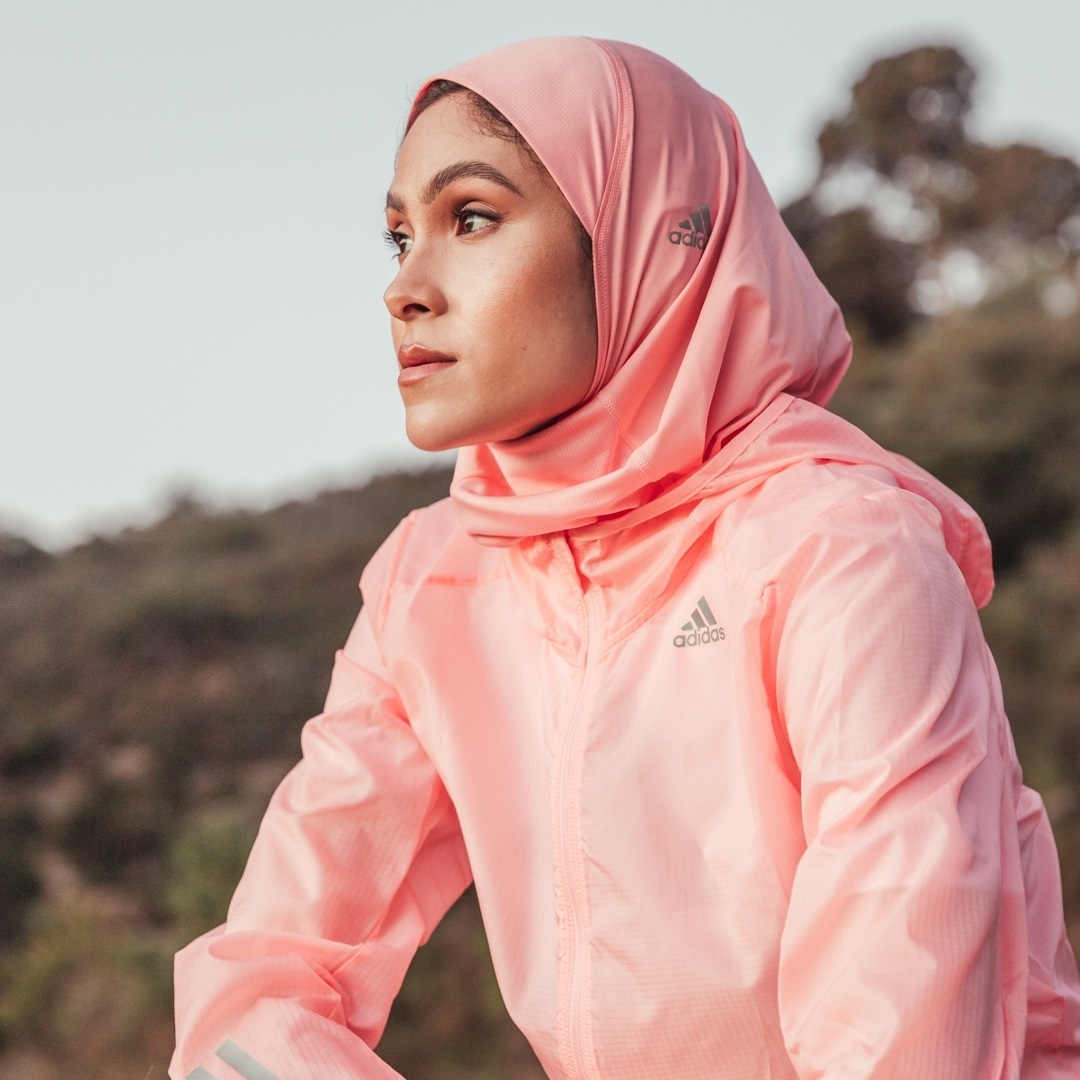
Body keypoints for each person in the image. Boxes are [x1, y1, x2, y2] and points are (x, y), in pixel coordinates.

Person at [170, 37, 1080, 1079]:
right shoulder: (436, 582)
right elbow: (264, 983)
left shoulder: (842, 550)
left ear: (647, 238)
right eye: (397, 237)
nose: (406, 289)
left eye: (471, 218)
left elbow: (910, 1035)